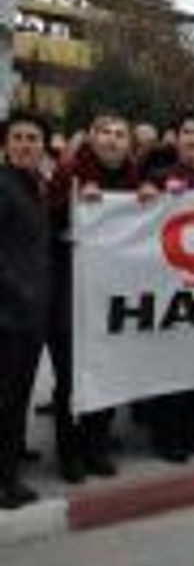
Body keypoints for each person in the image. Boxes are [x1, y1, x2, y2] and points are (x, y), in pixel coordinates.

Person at [46, 113, 141, 482]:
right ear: (92, 138)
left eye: (120, 134)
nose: (112, 140)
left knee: (108, 373)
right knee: (71, 380)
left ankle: (96, 447)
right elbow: (47, 225)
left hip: (112, 297)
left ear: (128, 144)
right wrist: (72, 210)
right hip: (69, 296)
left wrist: (151, 200)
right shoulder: (68, 175)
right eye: (105, 133)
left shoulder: (135, 180)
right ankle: (69, 454)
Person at [147, 112, 194, 463]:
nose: (192, 138)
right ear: (176, 140)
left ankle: (193, 432)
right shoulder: (159, 177)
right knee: (169, 366)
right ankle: (166, 436)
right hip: (168, 286)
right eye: (186, 132)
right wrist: (150, 196)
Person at [0, 110, 53, 509]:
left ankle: (13, 452)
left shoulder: (34, 184)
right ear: (5, 144)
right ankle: (6, 484)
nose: (24, 145)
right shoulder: (4, 185)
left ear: (43, 146)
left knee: (18, 394)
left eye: (32, 138)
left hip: (30, 311)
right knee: (7, 397)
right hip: (9, 313)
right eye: (17, 137)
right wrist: (21, 291)